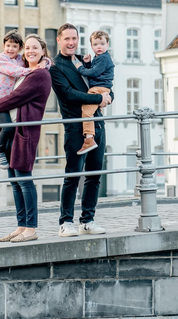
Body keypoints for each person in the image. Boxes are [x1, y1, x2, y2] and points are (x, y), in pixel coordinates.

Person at [0, 34, 52, 243]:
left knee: (24, 180)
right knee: (15, 182)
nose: (30, 51)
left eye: (35, 48)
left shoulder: (39, 75)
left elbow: (15, 98)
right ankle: (21, 225)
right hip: (12, 131)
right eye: (28, 48)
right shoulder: (25, 72)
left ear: (43, 51)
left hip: (25, 132)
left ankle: (30, 229)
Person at [49, 23, 111, 237]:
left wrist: (108, 97)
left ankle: (87, 220)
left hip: (98, 123)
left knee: (94, 175)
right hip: (76, 127)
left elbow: (103, 83)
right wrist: (98, 98)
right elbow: (68, 94)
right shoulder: (55, 67)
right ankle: (65, 222)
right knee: (73, 176)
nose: (71, 42)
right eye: (66, 39)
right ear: (59, 40)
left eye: (74, 38)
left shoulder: (87, 60)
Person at [0, 30, 32, 169]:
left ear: (19, 48)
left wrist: (46, 63)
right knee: (8, 127)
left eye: (14, 46)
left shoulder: (20, 59)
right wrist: (32, 71)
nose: (10, 49)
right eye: (8, 45)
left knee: (11, 128)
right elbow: (13, 70)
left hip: (13, 100)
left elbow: (35, 60)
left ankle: (9, 153)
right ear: (3, 46)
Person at [73, 30, 115, 155]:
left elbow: (94, 73)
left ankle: (89, 139)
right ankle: (92, 136)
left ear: (107, 44)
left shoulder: (104, 58)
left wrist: (80, 67)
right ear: (91, 46)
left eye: (102, 43)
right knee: (94, 111)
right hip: (100, 88)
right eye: (96, 44)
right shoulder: (99, 58)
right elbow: (94, 71)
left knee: (86, 111)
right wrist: (87, 63)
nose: (99, 47)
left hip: (99, 88)